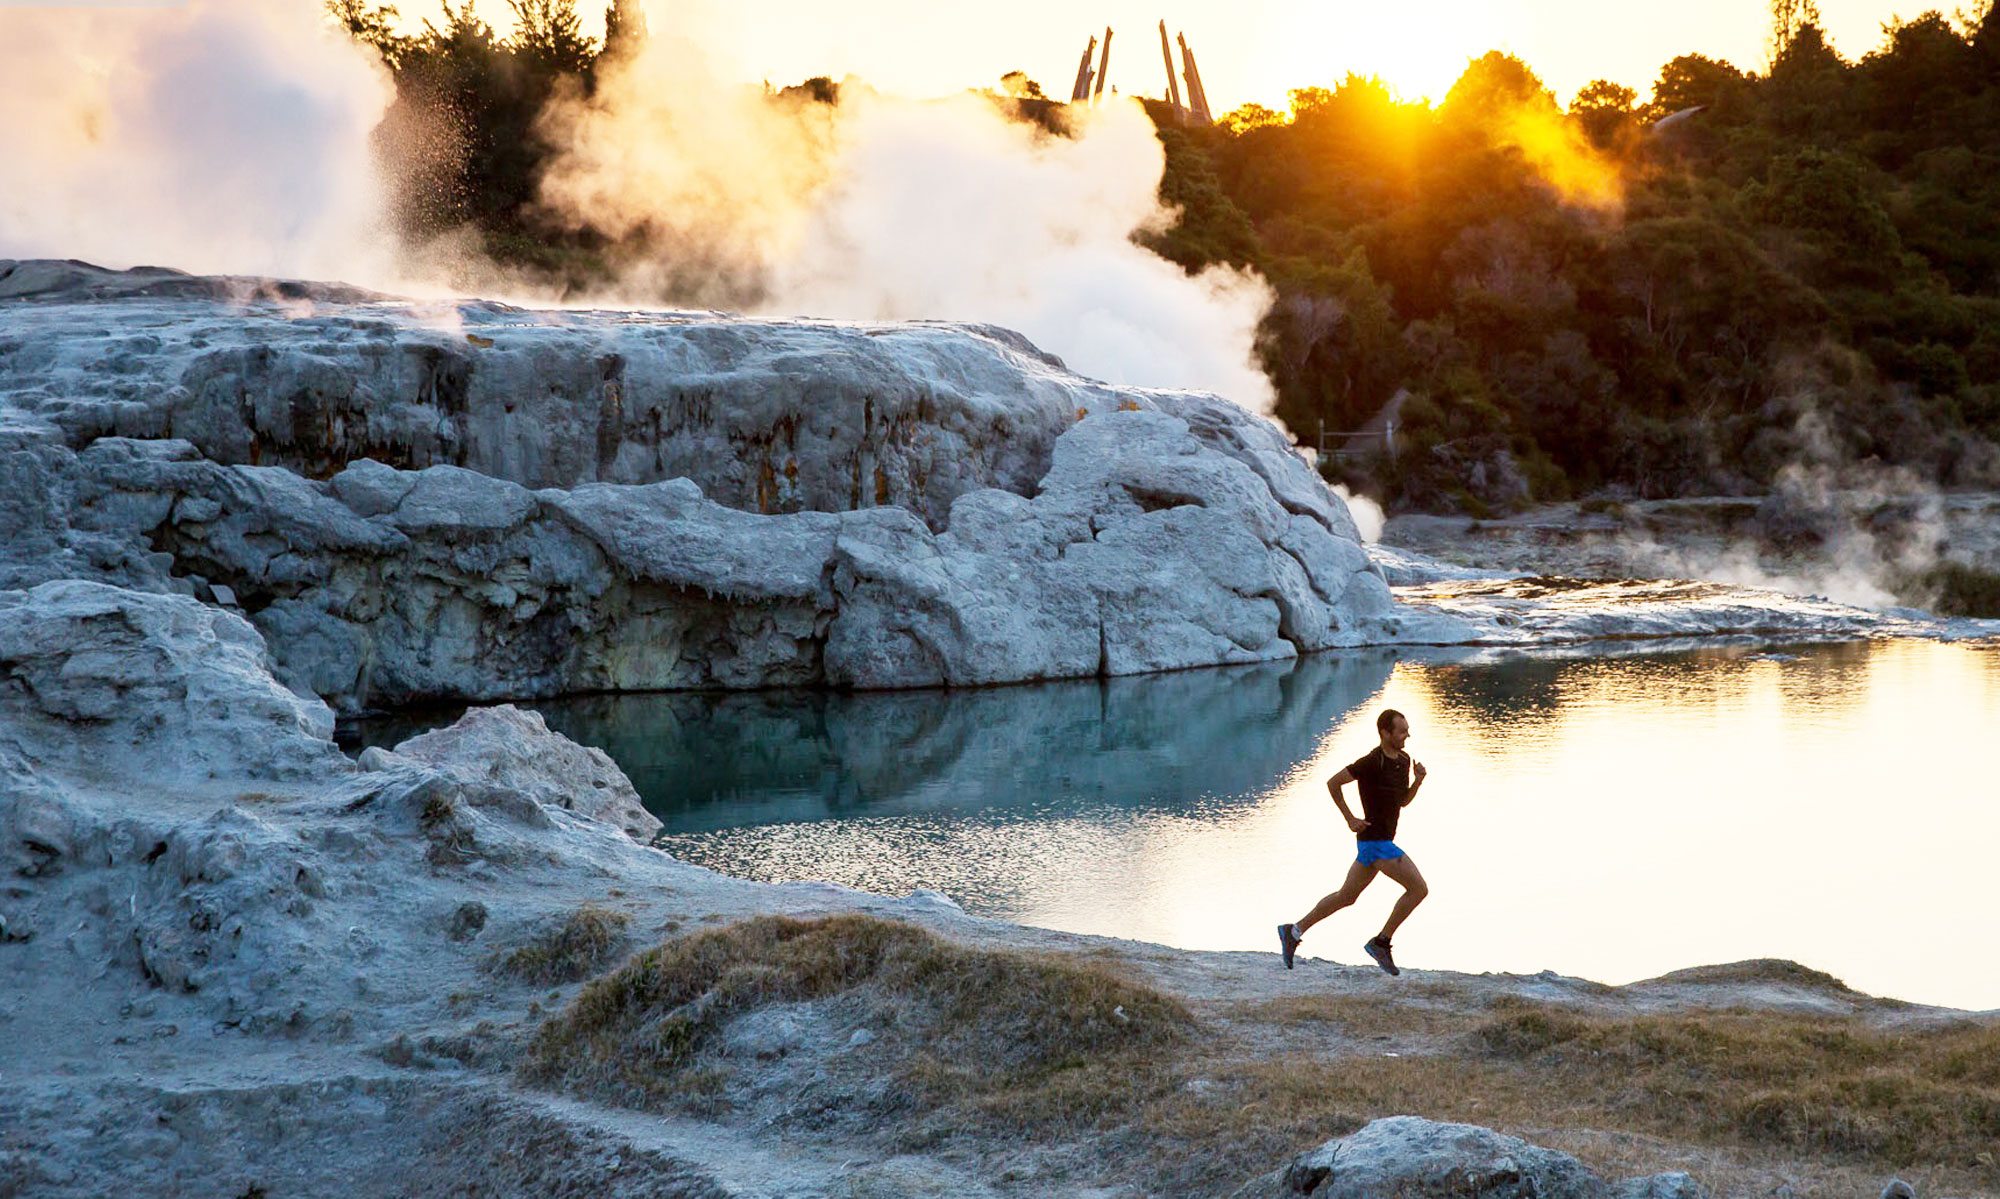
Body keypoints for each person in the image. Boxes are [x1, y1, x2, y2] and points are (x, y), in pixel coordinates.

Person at [1277, 708, 1428, 976]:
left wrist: (1418, 781)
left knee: (1346, 897)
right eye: (1402, 731)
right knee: (1418, 889)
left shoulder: (1404, 761)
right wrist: (1349, 818)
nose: (1407, 735)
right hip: (1376, 843)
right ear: (1385, 733)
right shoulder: (1371, 762)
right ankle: (1381, 942)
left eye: (1407, 730)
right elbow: (1333, 783)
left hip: (1376, 843)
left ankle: (1294, 931)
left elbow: (1402, 801)